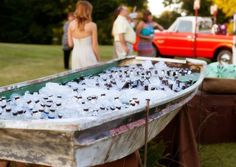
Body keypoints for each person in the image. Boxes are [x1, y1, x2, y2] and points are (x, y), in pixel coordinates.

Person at [68, 0, 100, 70]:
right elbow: (95, 45)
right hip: (89, 54)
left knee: (77, 78)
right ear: (88, 11)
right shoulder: (92, 25)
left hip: (75, 55)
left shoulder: (71, 24)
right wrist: (98, 59)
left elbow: (70, 44)